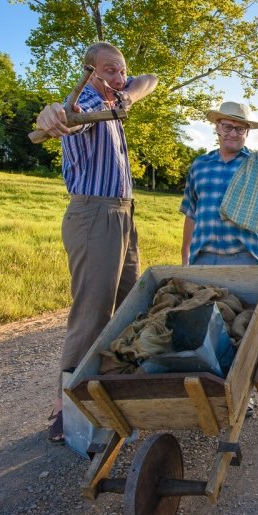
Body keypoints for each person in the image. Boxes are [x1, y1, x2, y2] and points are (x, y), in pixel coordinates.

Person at [35, 42, 159, 444]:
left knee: (127, 302)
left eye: (122, 70)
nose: (119, 78)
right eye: (109, 71)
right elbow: (60, 117)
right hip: (94, 215)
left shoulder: (118, 96)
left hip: (124, 213)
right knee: (92, 312)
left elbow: (149, 80)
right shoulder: (84, 105)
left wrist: (123, 88)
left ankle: (108, 392)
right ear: (88, 72)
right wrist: (53, 114)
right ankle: (64, 408)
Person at [180, 101, 258, 416]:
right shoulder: (199, 166)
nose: (233, 132)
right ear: (217, 127)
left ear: (247, 132)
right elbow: (190, 214)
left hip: (244, 259)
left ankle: (240, 393)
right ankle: (208, 389)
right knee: (204, 325)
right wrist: (184, 257)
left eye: (240, 128)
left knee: (243, 329)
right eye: (227, 126)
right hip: (204, 258)